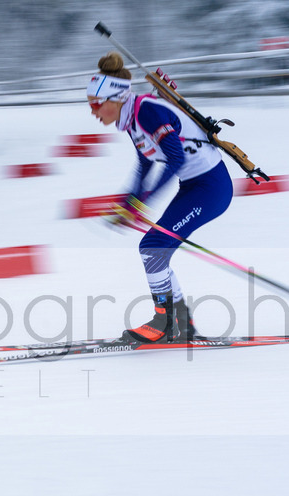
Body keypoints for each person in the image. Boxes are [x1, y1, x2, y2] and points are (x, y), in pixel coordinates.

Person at [87, 52, 233, 342]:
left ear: (114, 99)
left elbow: (175, 159)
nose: (93, 112)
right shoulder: (131, 119)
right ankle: (179, 323)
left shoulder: (146, 111)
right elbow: (145, 164)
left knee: (153, 246)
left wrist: (142, 203)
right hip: (193, 187)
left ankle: (169, 323)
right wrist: (129, 204)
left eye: (95, 104)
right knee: (154, 248)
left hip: (210, 187)